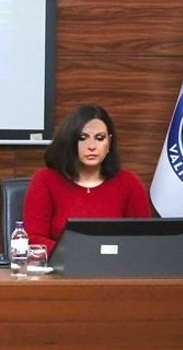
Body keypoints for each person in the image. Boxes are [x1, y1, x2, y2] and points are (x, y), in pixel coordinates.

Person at [23, 104, 152, 254]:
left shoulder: (129, 183)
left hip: (116, 265)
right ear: (70, 141)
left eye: (99, 138)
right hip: (62, 266)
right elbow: (34, 239)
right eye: (82, 138)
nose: (91, 146)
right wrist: (80, 253)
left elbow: (144, 239)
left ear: (109, 142)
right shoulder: (45, 180)